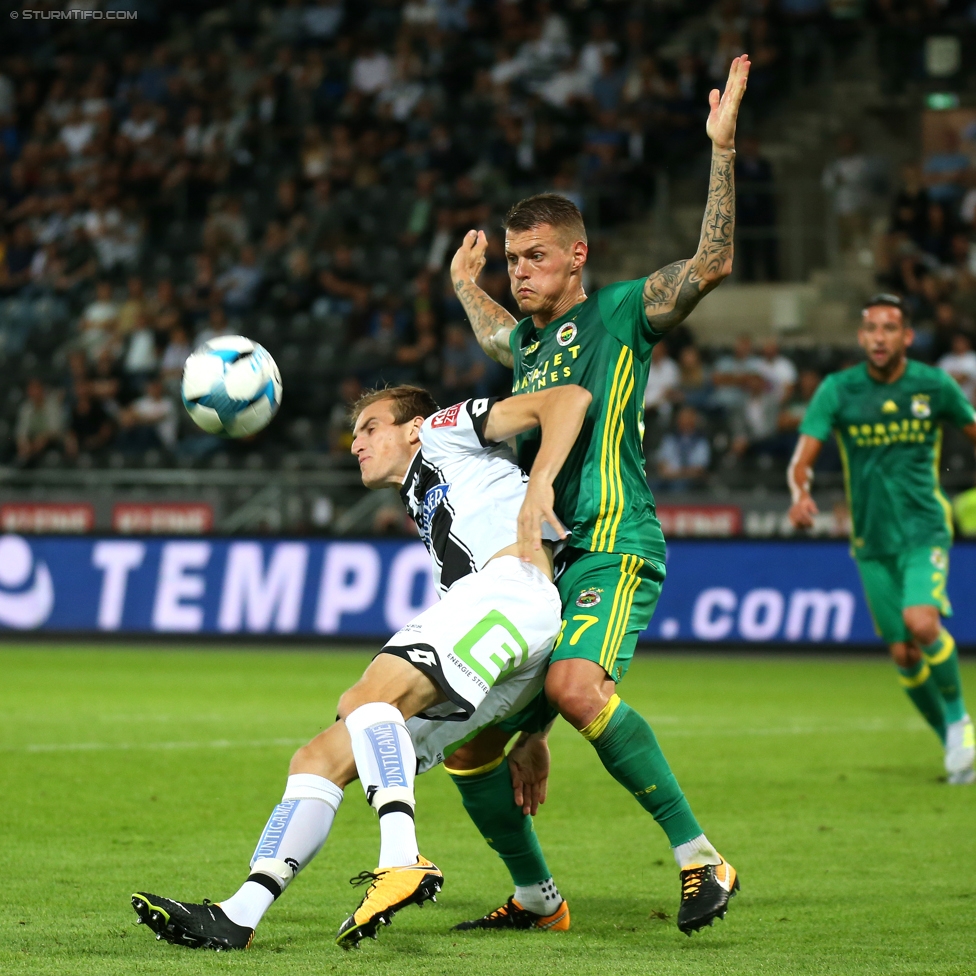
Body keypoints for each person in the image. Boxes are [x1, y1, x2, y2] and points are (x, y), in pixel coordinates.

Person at [446, 56, 749, 934]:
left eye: (535, 257)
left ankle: (703, 860)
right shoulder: (533, 351)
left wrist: (720, 152)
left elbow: (713, 262)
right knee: (472, 746)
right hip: (551, 563)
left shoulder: (620, 312)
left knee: (579, 685)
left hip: (615, 542)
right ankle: (539, 902)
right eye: (512, 260)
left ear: (578, 256)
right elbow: (502, 336)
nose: (521, 273)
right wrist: (468, 285)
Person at [131, 382, 591, 951]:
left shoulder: (446, 430)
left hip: (510, 594)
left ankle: (401, 858)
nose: (356, 444)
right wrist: (537, 728)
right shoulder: (428, 491)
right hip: (510, 623)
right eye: (354, 435)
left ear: (415, 426)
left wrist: (541, 481)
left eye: (371, 427)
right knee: (319, 757)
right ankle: (239, 914)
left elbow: (567, 398)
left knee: (368, 700)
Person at [788, 294, 976, 784]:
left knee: (921, 621)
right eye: (870, 327)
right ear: (860, 336)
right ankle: (953, 748)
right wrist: (800, 494)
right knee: (904, 654)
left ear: (907, 338)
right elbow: (802, 460)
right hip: (871, 541)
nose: (878, 337)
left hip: (924, 529)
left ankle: (958, 720)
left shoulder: (933, 385)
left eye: (889, 328)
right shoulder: (839, 389)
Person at [656, 406, 710, 490]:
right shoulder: (670, 438)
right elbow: (662, 464)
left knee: (678, 486)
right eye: (682, 418)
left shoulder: (701, 441)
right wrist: (668, 473)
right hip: (669, 478)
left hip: (690, 480)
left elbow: (700, 469)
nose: (684, 421)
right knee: (651, 485)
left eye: (688, 418)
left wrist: (680, 474)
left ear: (694, 420)